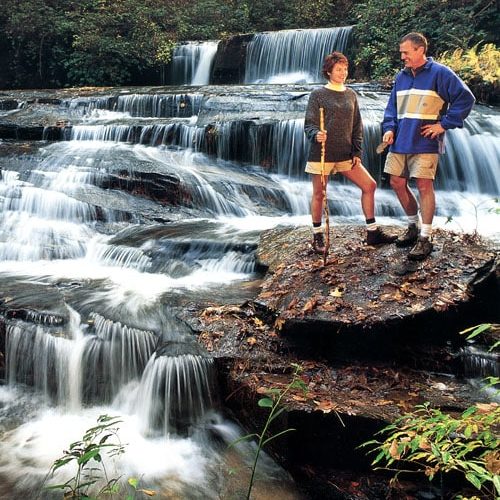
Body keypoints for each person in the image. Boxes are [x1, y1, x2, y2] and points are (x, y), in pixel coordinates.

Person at [382, 32, 475, 260]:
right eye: (401, 52)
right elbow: (392, 108)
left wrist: (443, 125)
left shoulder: (440, 73)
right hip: (400, 140)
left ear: (420, 49)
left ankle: (425, 237)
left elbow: (466, 99)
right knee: (396, 182)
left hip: (425, 141)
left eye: (406, 52)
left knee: (424, 185)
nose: (402, 56)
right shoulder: (401, 77)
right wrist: (389, 128)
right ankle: (413, 227)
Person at [304, 51, 396, 254]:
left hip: (346, 153)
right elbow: (309, 124)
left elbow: (357, 126)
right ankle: (317, 235)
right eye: (339, 69)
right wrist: (316, 134)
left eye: (345, 69)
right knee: (319, 193)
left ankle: (372, 232)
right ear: (328, 71)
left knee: (369, 185)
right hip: (323, 153)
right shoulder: (317, 95)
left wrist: (357, 151)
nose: (343, 73)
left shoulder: (351, 94)